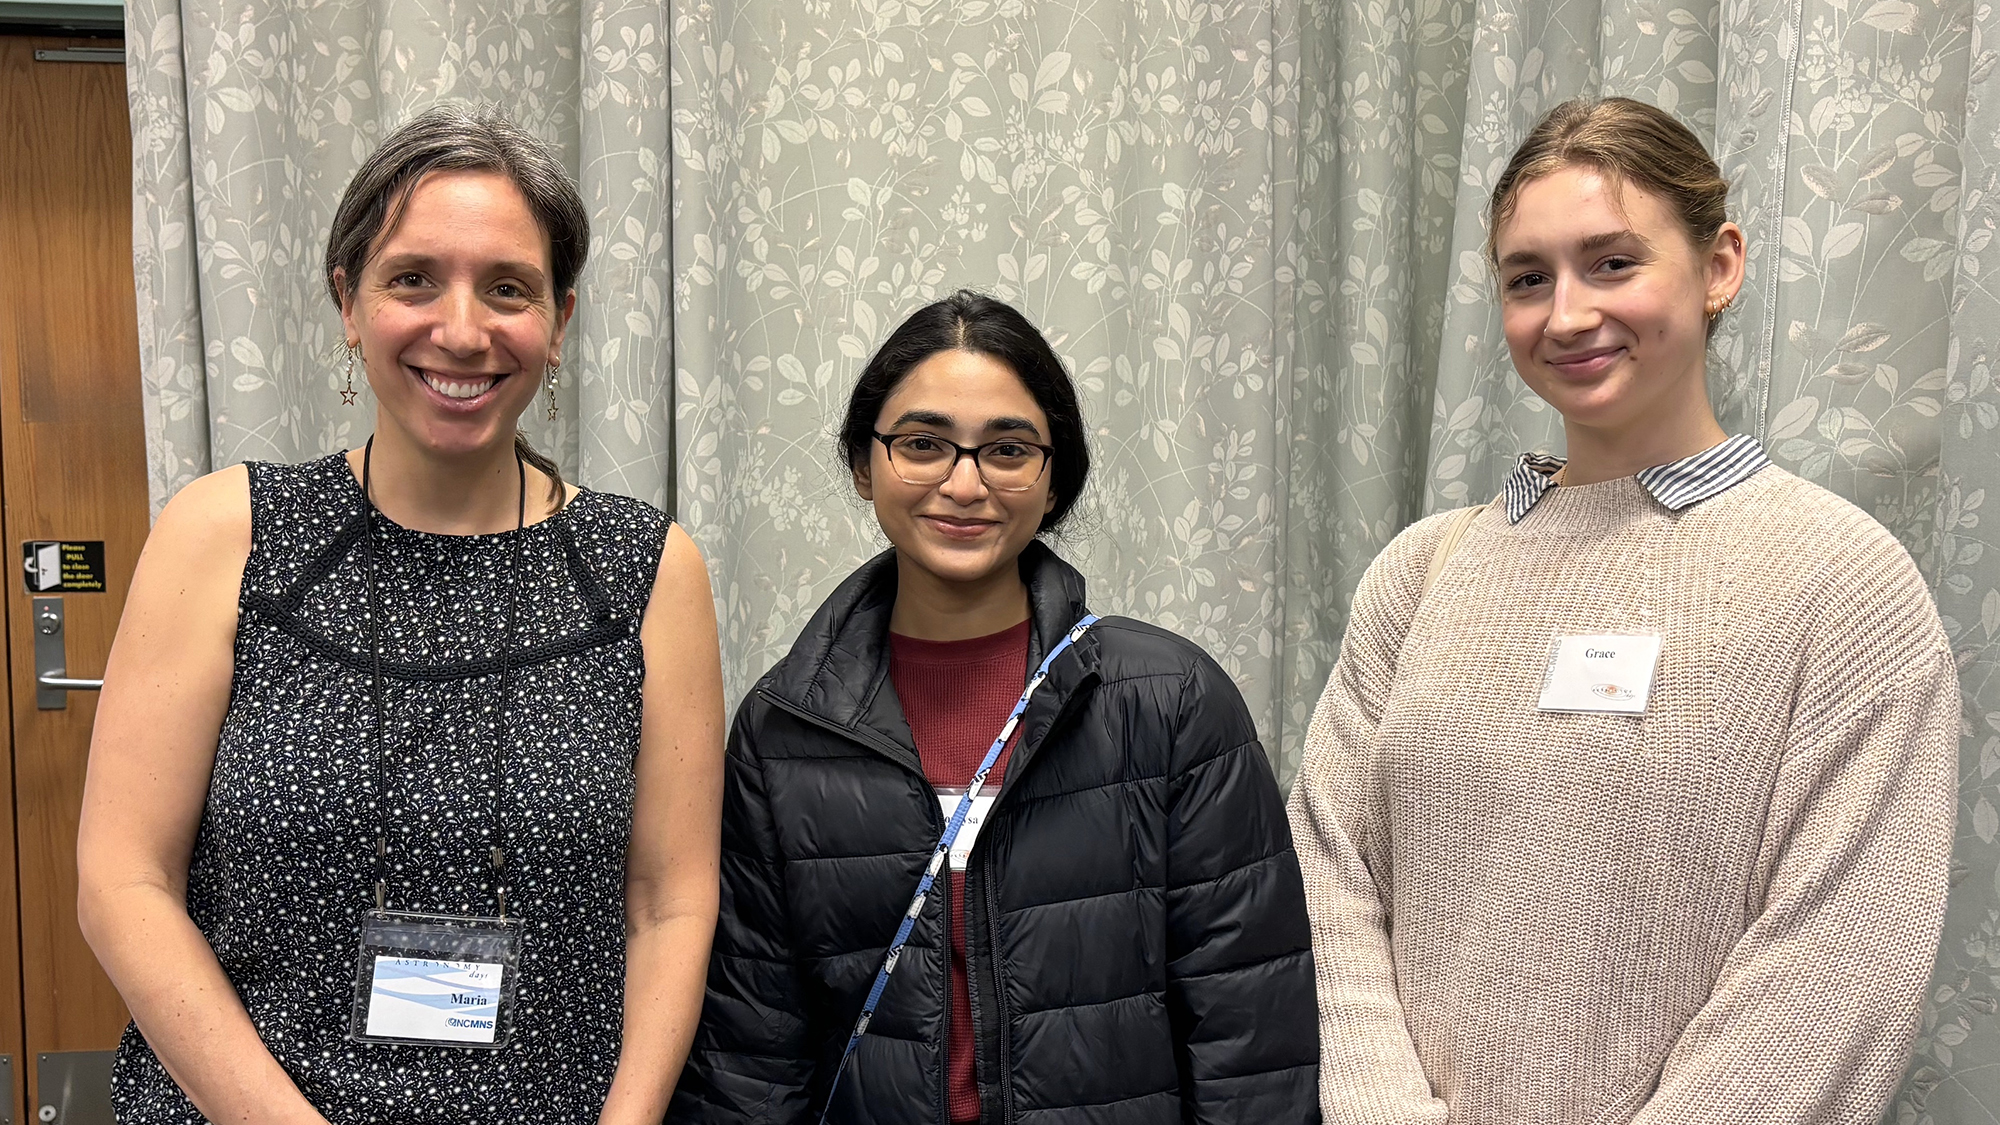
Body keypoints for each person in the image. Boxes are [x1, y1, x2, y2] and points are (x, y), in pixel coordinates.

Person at [1288, 95, 1959, 1124]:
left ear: (1717, 266)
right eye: (1527, 278)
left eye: (1610, 263)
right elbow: (1327, 880)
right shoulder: (1419, 573)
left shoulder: (1842, 583)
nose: (1564, 315)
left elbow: (1841, 962)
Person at [76, 103, 725, 1124]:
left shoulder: (645, 570)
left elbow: (668, 904)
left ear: (558, 322)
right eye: (413, 278)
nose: (460, 330)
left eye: (507, 289)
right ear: (348, 301)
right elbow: (124, 880)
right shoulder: (228, 536)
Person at [669, 290, 1320, 1124]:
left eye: (1007, 449)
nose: (964, 482)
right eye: (923, 444)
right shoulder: (786, 726)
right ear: (866, 467)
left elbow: (1253, 1042)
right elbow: (750, 1059)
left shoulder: (1172, 703)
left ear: (1054, 481)